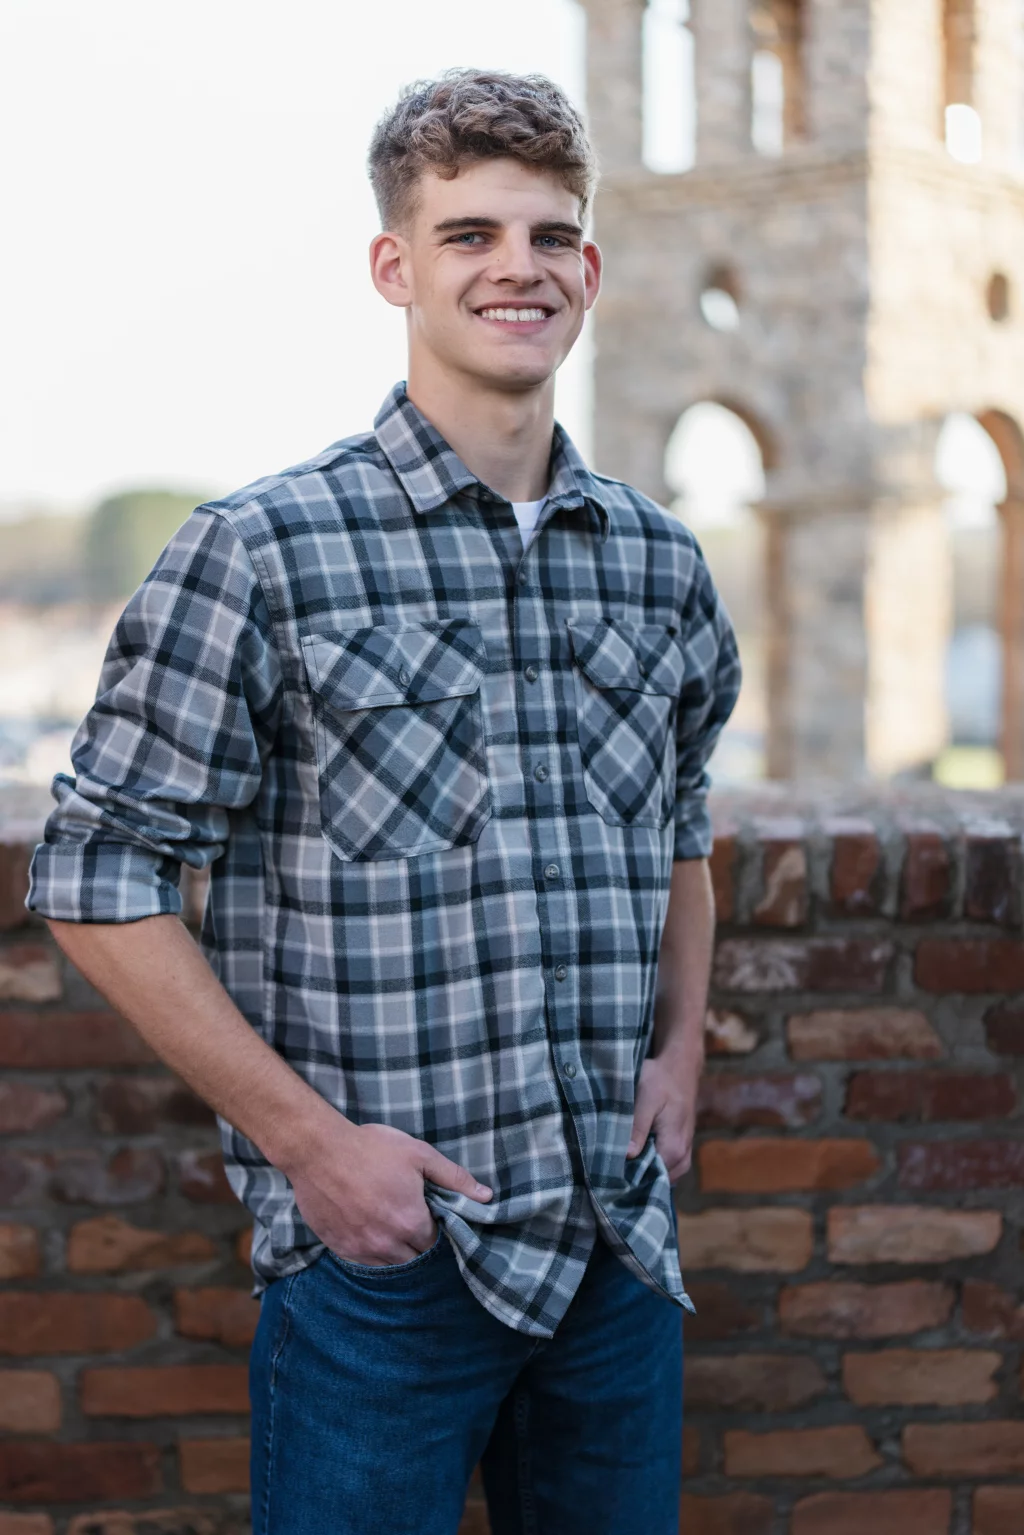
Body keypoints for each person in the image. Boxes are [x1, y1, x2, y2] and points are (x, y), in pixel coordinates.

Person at [28, 68, 740, 1535]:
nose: (517, 268)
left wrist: (679, 1053)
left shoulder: (659, 562)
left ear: (589, 270)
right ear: (394, 266)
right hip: (386, 1272)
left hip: (615, 1258)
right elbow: (98, 874)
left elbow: (680, 822)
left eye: (549, 236)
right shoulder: (263, 551)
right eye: (469, 234)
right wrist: (311, 1148)